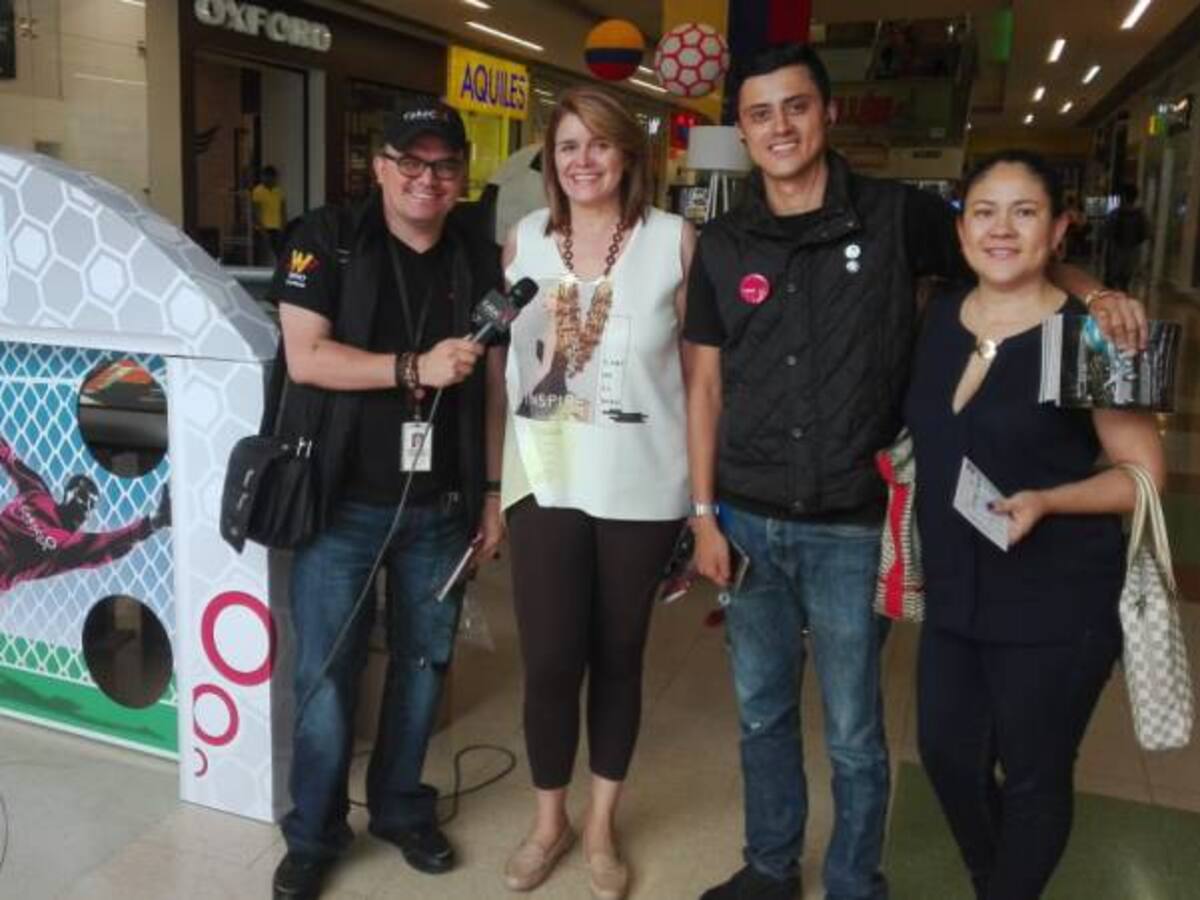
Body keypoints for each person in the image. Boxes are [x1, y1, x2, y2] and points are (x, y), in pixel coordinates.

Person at [682, 43, 1147, 900]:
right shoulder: (722, 241)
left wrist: (1093, 293)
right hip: (746, 517)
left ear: (825, 114)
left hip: (854, 521)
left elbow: (1008, 251)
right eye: (759, 114)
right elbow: (704, 384)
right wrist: (704, 513)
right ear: (741, 132)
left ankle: (858, 879)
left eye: (795, 107)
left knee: (859, 730)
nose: (779, 127)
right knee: (761, 713)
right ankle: (770, 865)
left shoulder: (899, 216)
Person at [905, 150, 1165, 899]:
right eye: (984, 211)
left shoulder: (1096, 336)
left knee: (1034, 776)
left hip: (1059, 597)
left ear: (1059, 230)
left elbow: (1143, 478)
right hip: (958, 589)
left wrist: (1051, 500)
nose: (1001, 229)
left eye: (1025, 213)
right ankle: (1000, 881)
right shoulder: (936, 317)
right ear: (961, 229)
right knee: (948, 757)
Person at [268, 99, 506, 900]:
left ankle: (403, 808)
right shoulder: (325, 237)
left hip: (440, 506)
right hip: (338, 504)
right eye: (411, 161)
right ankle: (315, 831)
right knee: (326, 678)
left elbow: (495, 382)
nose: (427, 179)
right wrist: (413, 369)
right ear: (380, 167)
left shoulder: (477, 252)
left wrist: (496, 492)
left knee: (423, 665)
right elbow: (306, 357)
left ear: (461, 174)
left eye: (443, 165)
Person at [497, 85, 695, 900]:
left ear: (628, 156)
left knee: (619, 657)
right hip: (542, 478)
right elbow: (499, 370)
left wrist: (702, 503)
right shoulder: (522, 244)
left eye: (601, 145)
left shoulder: (677, 243)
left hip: (645, 482)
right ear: (552, 158)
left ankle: (603, 824)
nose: (584, 161)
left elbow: (700, 376)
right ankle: (551, 822)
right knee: (548, 662)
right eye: (569, 146)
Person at [0, 435, 170, 592]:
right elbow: (9, 459)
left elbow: (108, 544)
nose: (85, 505)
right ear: (66, 493)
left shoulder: (67, 546)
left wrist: (154, 521)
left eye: (91, 504)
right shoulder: (36, 492)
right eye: (82, 495)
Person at [1104, 183, 1149, 292]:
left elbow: (1107, 231)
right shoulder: (1140, 215)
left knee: (1111, 279)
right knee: (1125, 279)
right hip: (1132, 250)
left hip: (1116, 249)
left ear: (1123, 196)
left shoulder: (1115, 213)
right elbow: (1145, 233)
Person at [252, 165, 287, 264]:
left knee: (279, 252)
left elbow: (283, 210)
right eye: (266, 176)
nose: (269, 179)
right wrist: (262, 229)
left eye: (272, 177)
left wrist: (283, 227)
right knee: (263, 254)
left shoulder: (279, 191)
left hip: (276, 228)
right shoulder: (258, 191)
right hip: (263, 228)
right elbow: (255, 211)